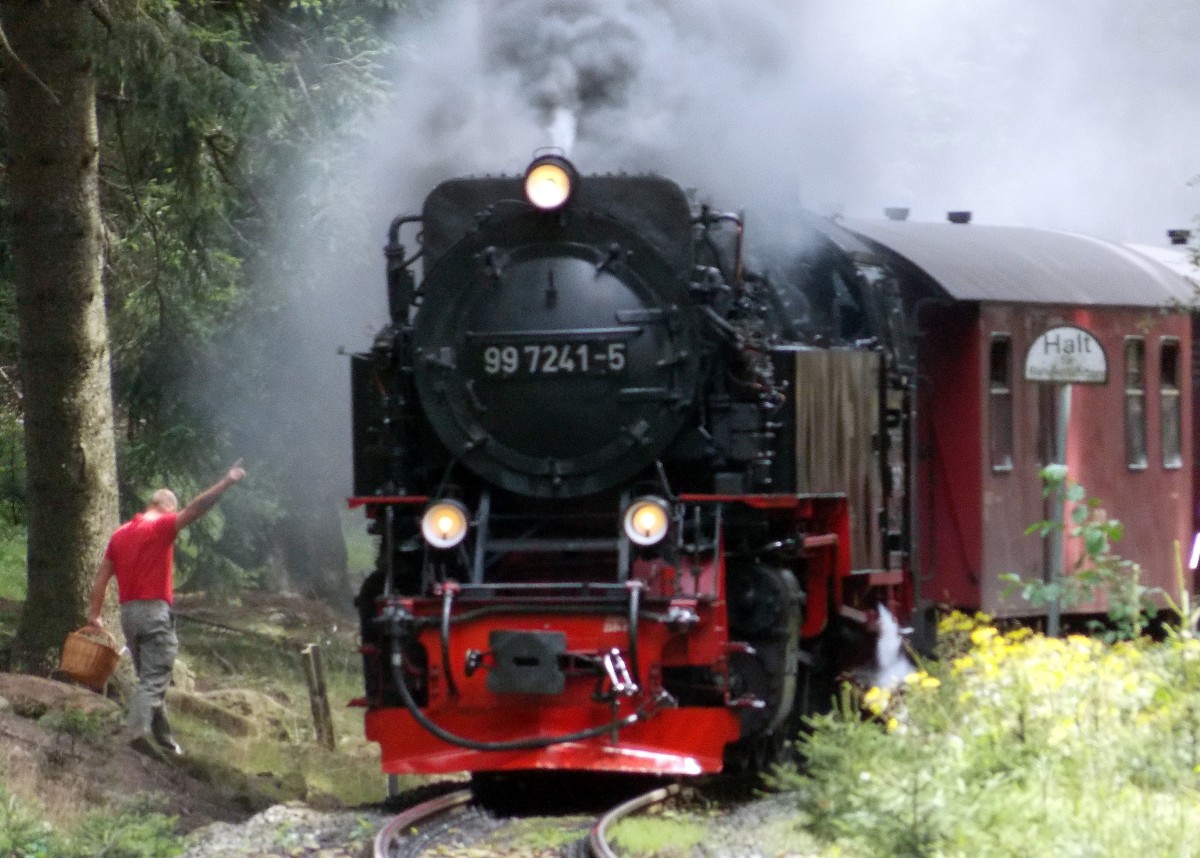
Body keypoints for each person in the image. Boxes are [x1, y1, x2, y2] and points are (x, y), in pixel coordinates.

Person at [86, 460, 247, 757]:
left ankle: (166, 744)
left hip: (128, 616)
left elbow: (101, 576)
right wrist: (227, 481)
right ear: (168, 509)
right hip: (152, 613)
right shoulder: (160, 527)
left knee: (150, 678)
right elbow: (198, 508)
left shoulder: (119, 534)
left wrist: (95, 614)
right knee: (154, 678)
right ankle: (129, 740)